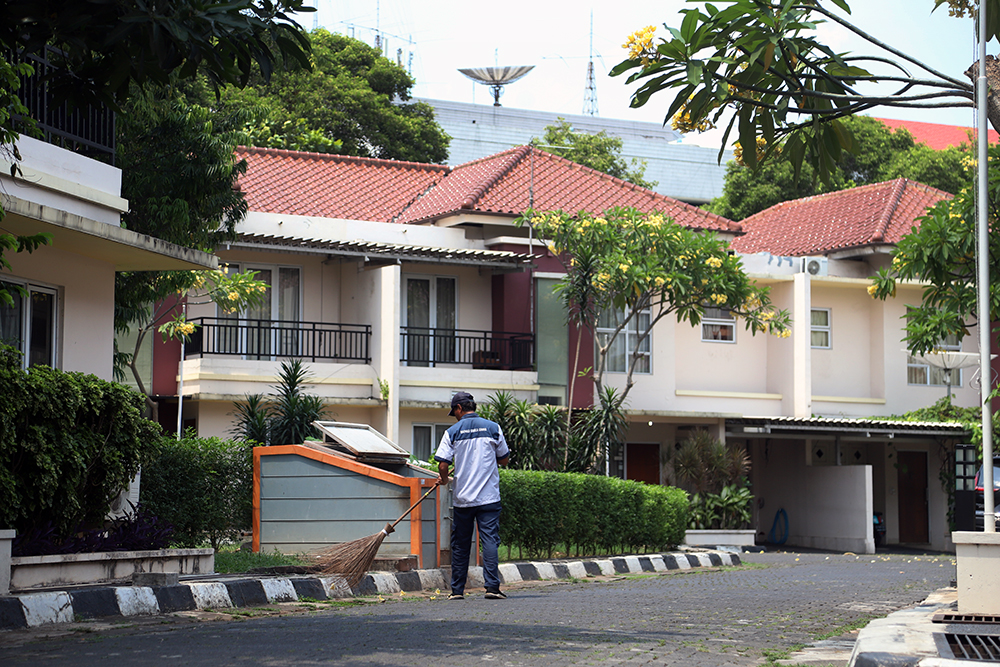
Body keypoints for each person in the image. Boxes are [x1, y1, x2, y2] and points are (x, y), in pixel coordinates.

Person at [434, 391, 509, 600]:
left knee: (461, 544)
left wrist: (443, 478)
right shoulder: (493, 428)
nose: (455, 416)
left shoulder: (453, 431)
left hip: (463, 499)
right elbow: (504, 460)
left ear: (459, 409)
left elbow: (442, 464)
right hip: (489, 498)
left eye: (454, 412)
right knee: (490, 541)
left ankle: (457, 591)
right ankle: (492, 588)